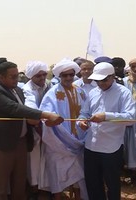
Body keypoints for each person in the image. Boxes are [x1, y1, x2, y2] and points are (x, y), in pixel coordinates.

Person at [0, 61, 63, 200]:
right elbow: (15, 109)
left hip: (20, 143)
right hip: (1, 145)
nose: (16, 80)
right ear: (1, 77)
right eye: (12, 77)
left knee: (19, 183)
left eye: (17, 76)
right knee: (0, 186)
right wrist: (45, 114)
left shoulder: (18, 90)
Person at [78, 62, 135, 200]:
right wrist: (82, 121)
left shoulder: (123, 93)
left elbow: (131, 118)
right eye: (97, 80)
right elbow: (84, 112)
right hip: (91, 145)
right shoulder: (93, 92)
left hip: (112, 147)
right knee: (93, 183)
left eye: (104, 80)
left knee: (112, 184)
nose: (101, 83)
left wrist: (106, 116)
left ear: (113, 76)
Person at [39, 58, 88, 200]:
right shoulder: (52, 93)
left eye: (71, 75)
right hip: (58, 142)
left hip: (78, 140)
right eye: (64, 75)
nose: (68, 78)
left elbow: (86, 111)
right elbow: (45, 114)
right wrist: (49, 121)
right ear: (59, 76)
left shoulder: (81, 91)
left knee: (79, 175)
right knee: (57, 176)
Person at [22, 60, 51, 199]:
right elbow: (31, 108)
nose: (42, 78)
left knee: (46, 156)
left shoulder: (49, 86)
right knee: (34, 158)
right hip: (33, 127)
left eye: (44, 75)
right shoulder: (27, 89)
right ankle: (34, 186)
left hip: (48, 126)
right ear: (31, 76)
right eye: (38, 76)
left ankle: (45, 186)